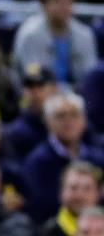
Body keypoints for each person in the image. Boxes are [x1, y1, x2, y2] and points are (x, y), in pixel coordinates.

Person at [22, 92, 104, 222]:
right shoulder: (36, 163)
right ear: (47, 120)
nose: (68, 120)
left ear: (84, 119)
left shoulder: (98, 159)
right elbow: (40, 207)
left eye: (74, 114)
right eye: (60, 115)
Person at [12, 0, 98, 86]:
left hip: (77, 95)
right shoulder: (30, 35)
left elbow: (90, 75)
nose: (64, 7)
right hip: (39, 92)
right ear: (44, 5)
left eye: (68, 1)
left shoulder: (85, 35)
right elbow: (31, 76)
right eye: (57, 1)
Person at [40, 161, 103, 236]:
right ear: (61, 191)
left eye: (87, 188)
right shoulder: (47, 231)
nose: (80, 195)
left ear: (98, 193)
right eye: (74, 188)